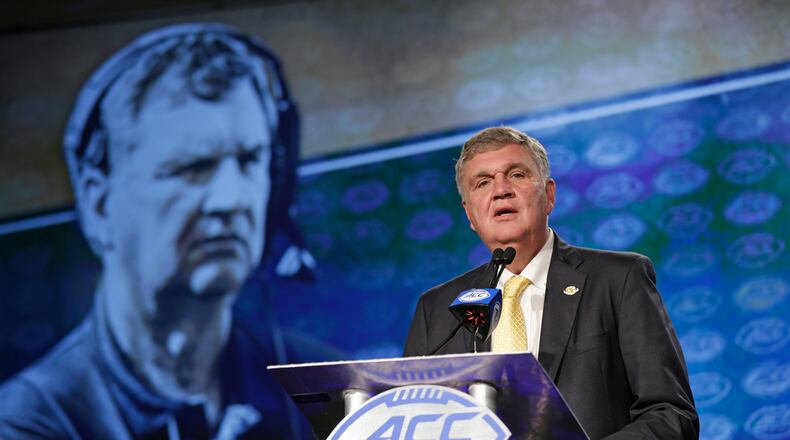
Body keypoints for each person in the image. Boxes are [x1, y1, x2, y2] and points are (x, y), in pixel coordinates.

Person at [0, 23, 314, 439]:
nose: (231, 199)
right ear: (99, 204)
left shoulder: (334, 393)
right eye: (192, 167)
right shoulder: (25, 423)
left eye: (250, 161)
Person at [404, 126, 699, 439]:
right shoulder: (437, 310)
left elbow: (671, 414)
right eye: (483, 182)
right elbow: (410, 419)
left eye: (516, 174)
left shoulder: (618, 279)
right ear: (470, 214)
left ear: (548, 195)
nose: (500, 190)